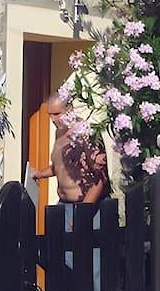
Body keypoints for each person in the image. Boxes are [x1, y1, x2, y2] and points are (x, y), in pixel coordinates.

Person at [33, 93, 108, 288]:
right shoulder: (59, 134)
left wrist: (84, 211)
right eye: (50, 115)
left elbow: (100, 178)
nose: (53, 119)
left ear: (70, 109)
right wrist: (42, 173)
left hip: (85, 206)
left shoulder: (84, 133)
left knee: (93, 262)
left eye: (57, 114)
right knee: (65, 261)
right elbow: (62, 165)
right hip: (63, 207)